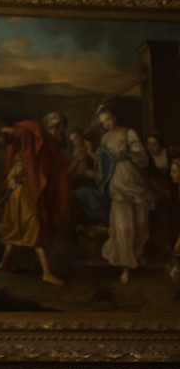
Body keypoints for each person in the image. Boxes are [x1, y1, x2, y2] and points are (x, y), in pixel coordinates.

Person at [0, 114, 70, 285]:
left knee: (20, 226)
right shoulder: (37, 132)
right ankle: (46, 273)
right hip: (20, 183)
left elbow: (58, 170)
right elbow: (17, 134)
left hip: (26, 185)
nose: (64, 132)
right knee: (35, 224)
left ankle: (5, 263)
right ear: (56, 126)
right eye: (62, 128)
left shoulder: (51, 145)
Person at [78, 105, 155, 284]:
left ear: (114, 117)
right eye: (103, 122)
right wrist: (91, 153)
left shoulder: (130, 133)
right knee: (123, 226)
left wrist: (126, 150)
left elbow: (143, 157)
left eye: (108, 119)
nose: (107, 124)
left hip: (135, 180)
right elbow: (103, 162)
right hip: (117, 183)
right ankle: (126, 266)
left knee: (141, 222)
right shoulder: (105, 138)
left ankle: (137, 253)